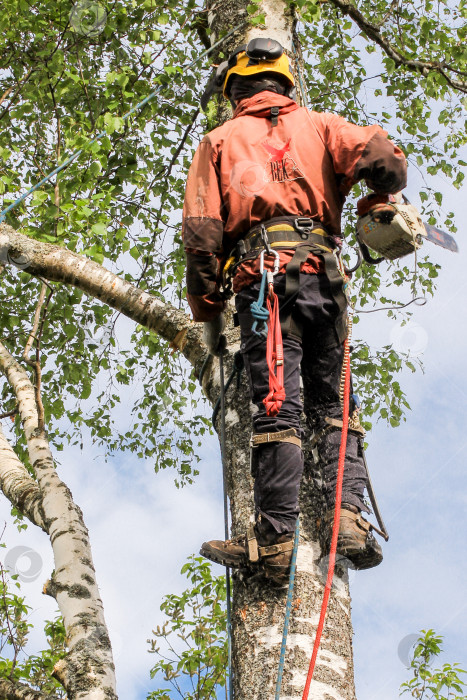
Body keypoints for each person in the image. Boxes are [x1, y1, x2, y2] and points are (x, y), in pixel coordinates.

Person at [182, 37, 407, 583]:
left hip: (267, 283)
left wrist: (209, 309)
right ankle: (348, 522)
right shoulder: (324, 127)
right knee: (335, 404)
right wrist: (374, 202)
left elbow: (202, 235)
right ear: (284, 82)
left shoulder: (219, 140)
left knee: (279, 405)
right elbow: (386, 160)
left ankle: (277, 543)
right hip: (326, 281)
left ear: (235, 89)